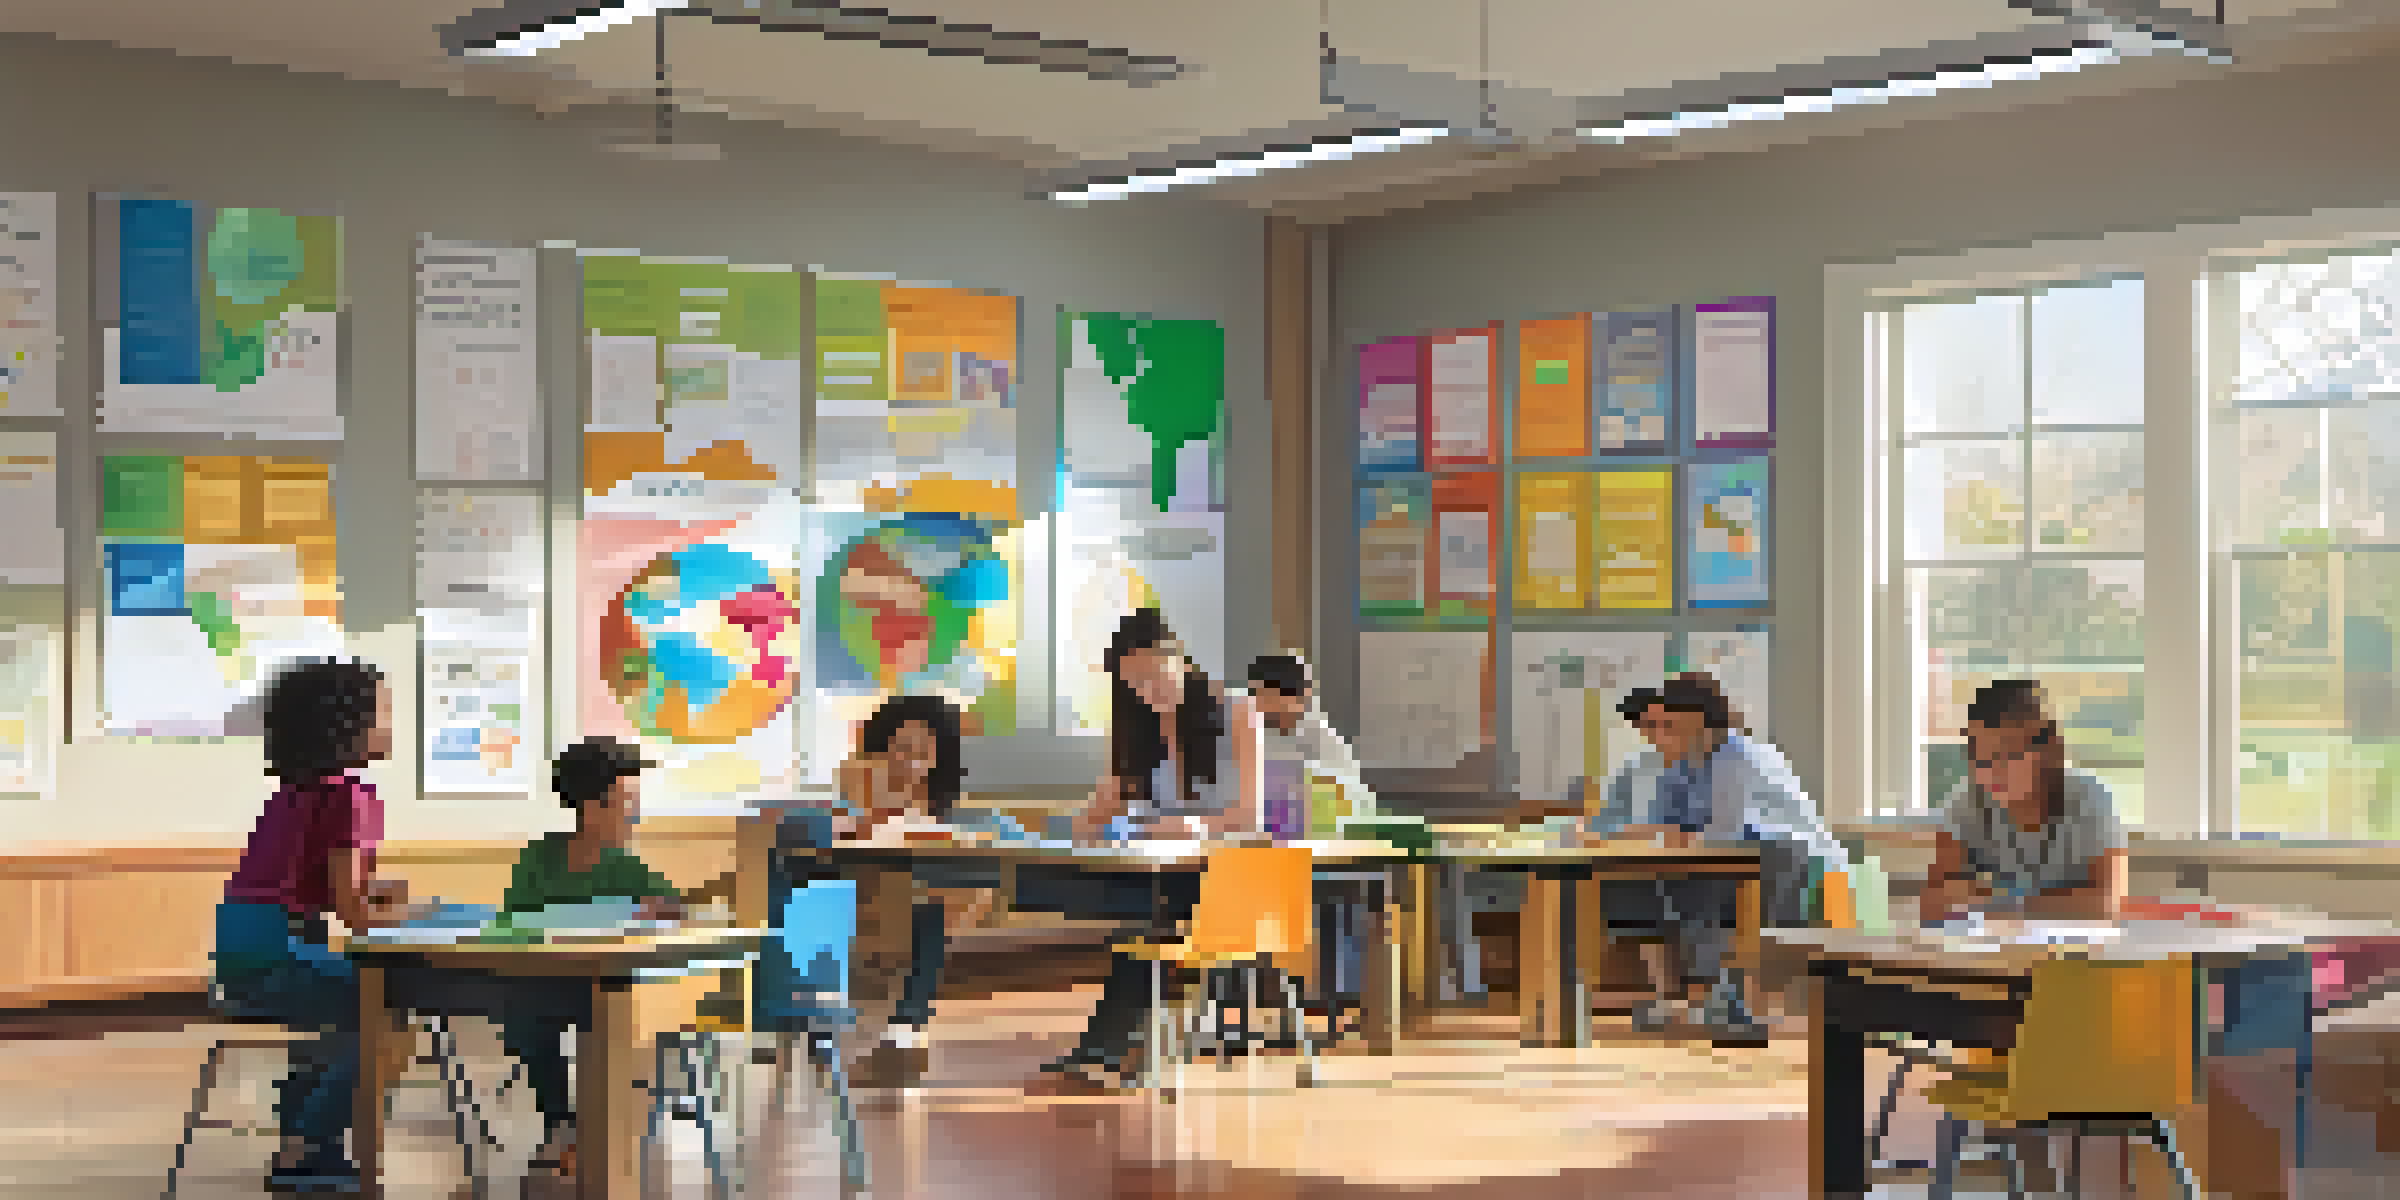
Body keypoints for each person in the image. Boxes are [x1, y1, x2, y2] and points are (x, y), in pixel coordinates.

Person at [1037, 608, 1265, 1089]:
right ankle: (1122, 1043)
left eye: (1152, 674)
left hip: (1227, 876)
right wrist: (1068, 826)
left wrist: (1193, 826)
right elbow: (1106, 809)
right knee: (1133, 907)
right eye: (1134, 683)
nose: (1147, 690)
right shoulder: (1138, 729)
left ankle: (1115, 1043)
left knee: (1148, 913)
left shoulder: (1239, 713)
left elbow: (1250, 817)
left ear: (1180, 660)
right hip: (1162, 872)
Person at [212, 658, 405, 1194]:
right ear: (347, 726)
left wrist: (375, 896)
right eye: (385, 710)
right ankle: (310, 1150)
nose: (394, 723)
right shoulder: (351, 795)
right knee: (382, 1012)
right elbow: (353, 912)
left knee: (340, 1018)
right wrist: (410, 916)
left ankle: (300, 1141)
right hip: (281, 952)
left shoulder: (291, 795)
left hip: (241, 955)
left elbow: (307, 885)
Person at [1584, 672, 1848, 1044]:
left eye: (1668, 723)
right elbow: (1663, 823)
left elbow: (1722, 832)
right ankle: (1700, 999)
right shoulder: (1683, 762)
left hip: (1790, 860)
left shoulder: (1735, 755)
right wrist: (1637, 833)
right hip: (1732, 858)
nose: (1659, 734)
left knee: (1700, 890)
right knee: (1645, 884)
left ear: (1694, 720)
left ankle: (1718, 999)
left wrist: (1662, 834)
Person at [499, 737, 688, 1180]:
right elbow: (514, 921)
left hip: (612, 991)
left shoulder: (630, 868)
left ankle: (597, 1130)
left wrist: (662, 913)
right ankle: (562, 1127)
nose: (635, 813)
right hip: (547, 984)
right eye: (627, 801)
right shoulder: (540, 857)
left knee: (602, 1022)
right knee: (525, 1018)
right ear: (593, 805)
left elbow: (672, 913)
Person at [832, 693, 1008, 1088]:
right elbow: (833, 839)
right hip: (854, 892)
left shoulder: (945, 807)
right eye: (900, 749)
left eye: (922, 753)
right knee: (929, 907)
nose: (908, 762)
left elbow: (987, 842)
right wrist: (871, 819)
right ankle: (903, 1026)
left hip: (921, 900)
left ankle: (905, 1026)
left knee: (937, 904)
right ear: (881, 749)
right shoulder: (854, 788)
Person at [1919, 680, 2129, 924]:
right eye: (1979, 757)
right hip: (1991, 953)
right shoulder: (1965, 803)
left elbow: (2105, 903)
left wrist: (1993, 901)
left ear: (2050, 751)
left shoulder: (2090, 799)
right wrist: (2058, 902)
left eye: (2006, 755)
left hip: (2072, 954)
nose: (1991, 770)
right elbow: (1934, 903)